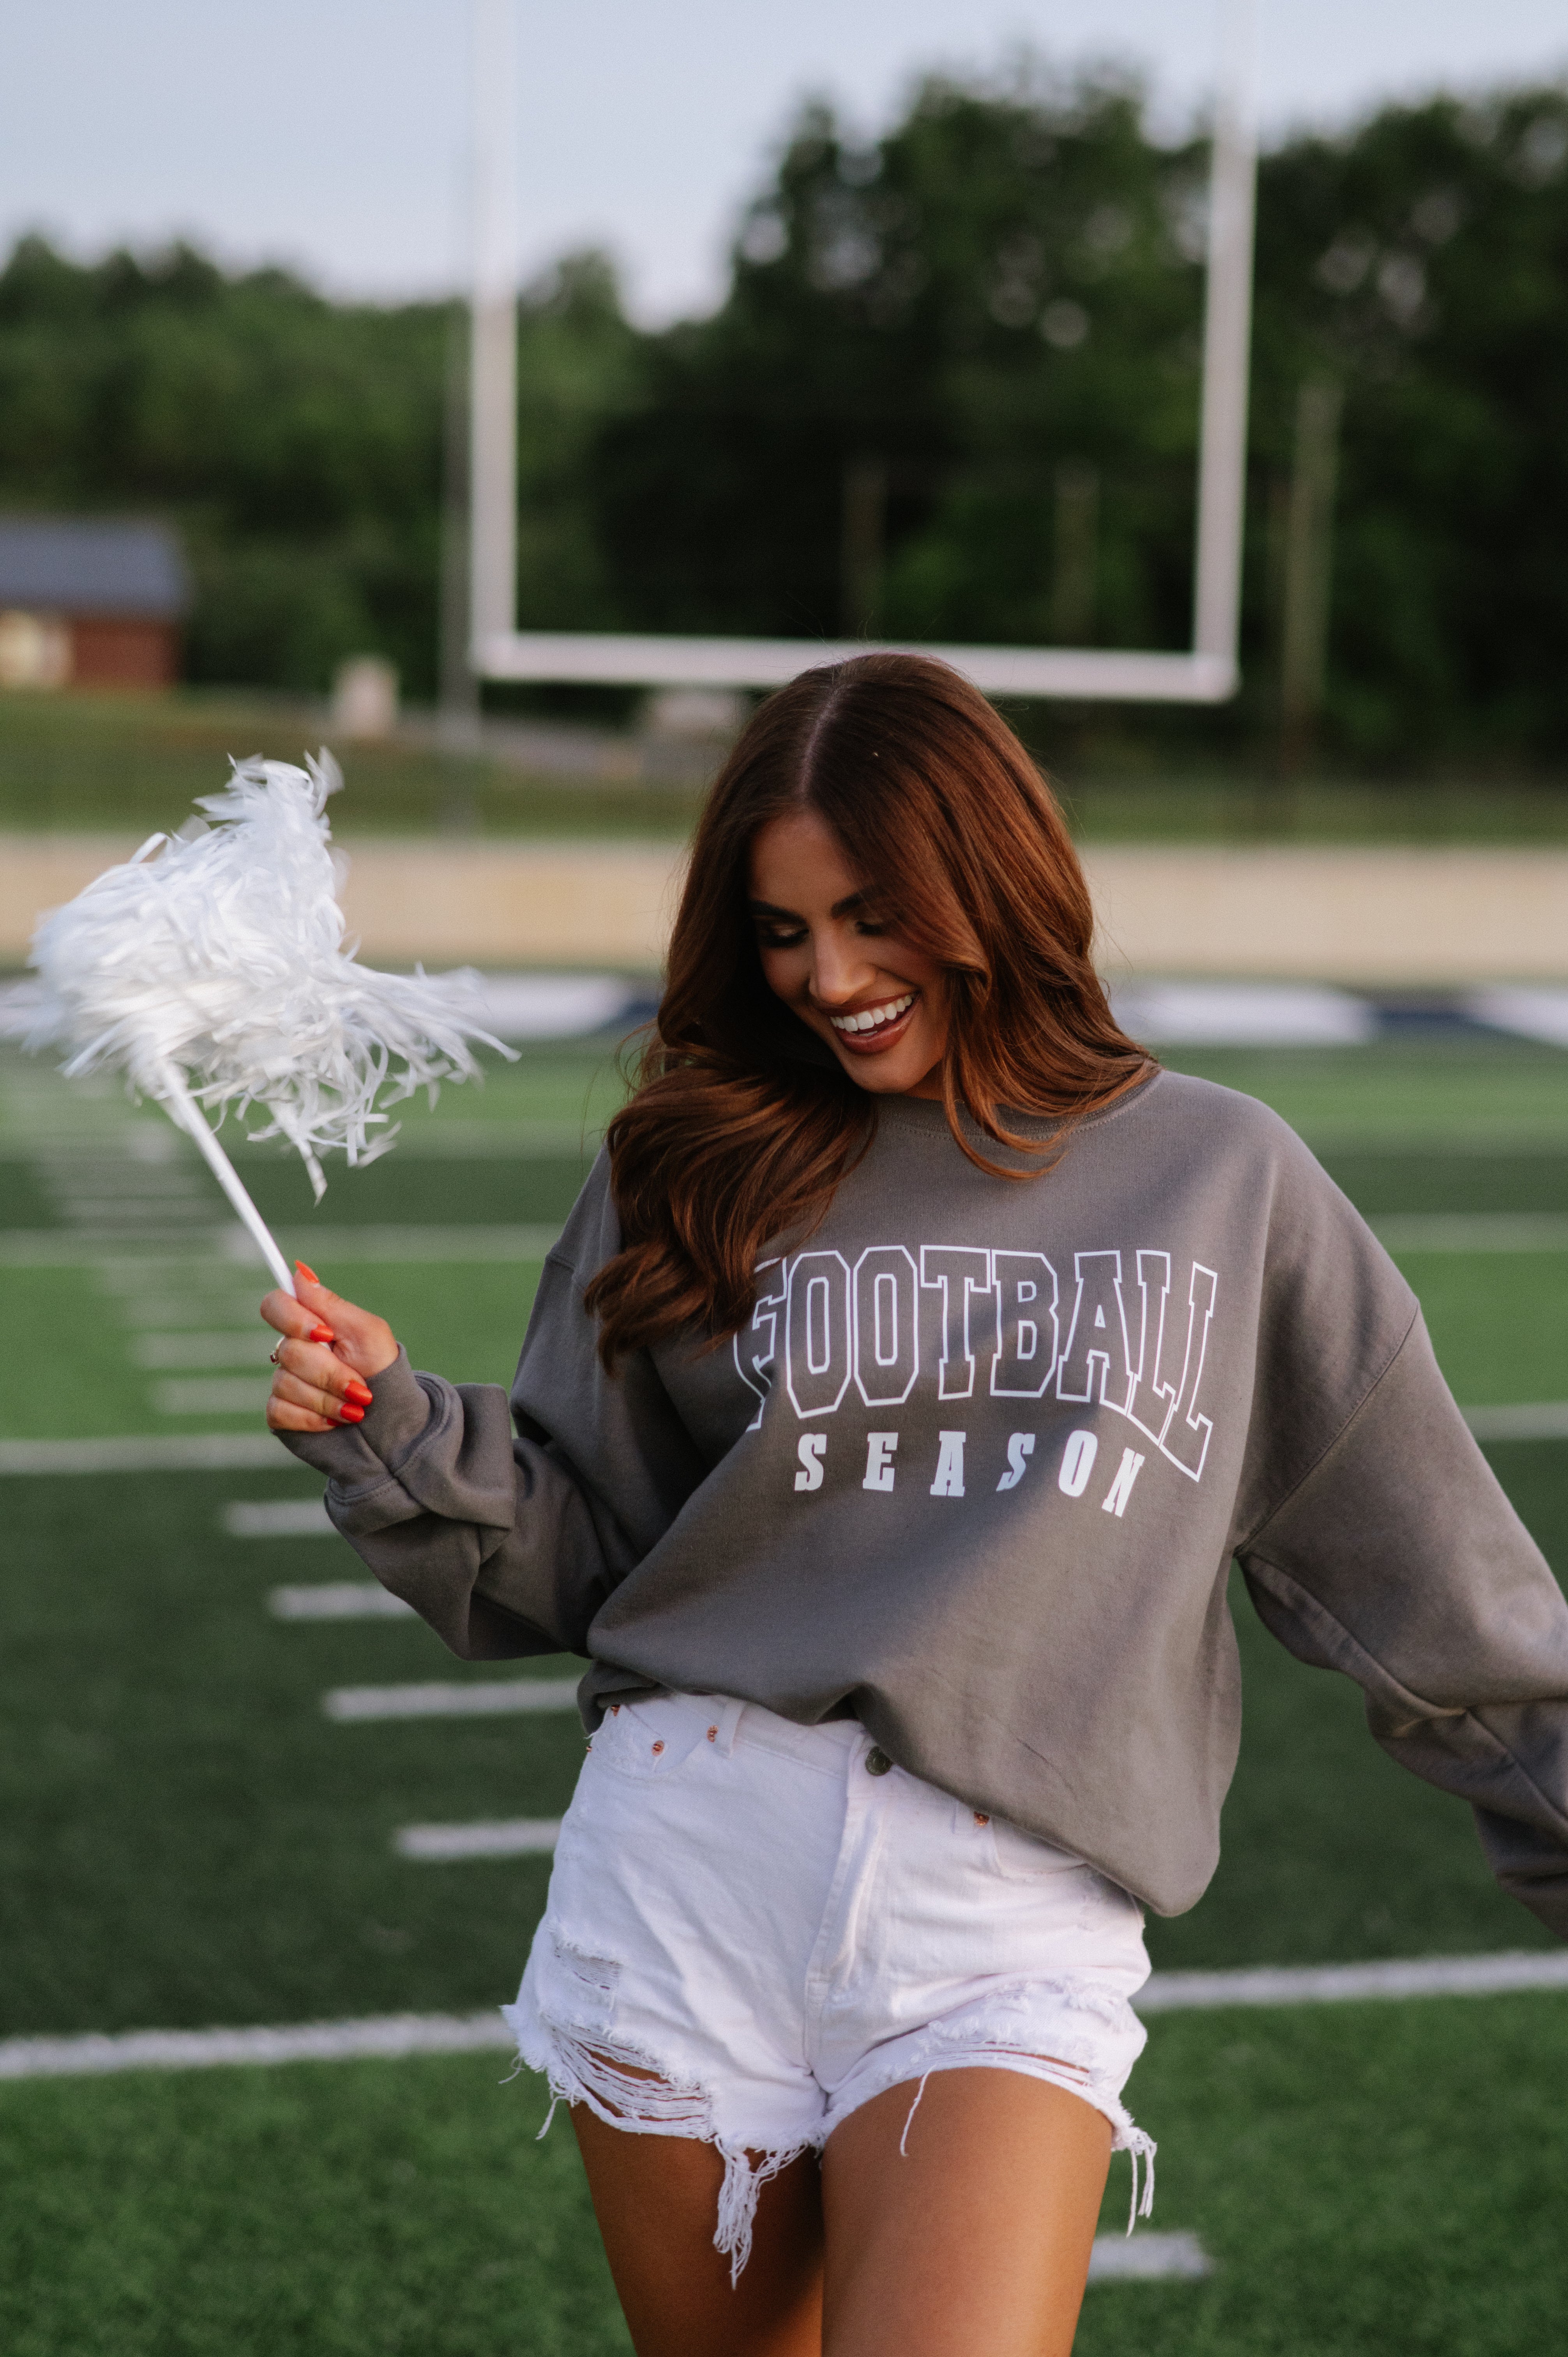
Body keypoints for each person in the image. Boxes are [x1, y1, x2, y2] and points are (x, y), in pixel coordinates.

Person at [261, 654, 1568, 2357]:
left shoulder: (1221, 1179)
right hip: (684, 1862)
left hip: (1003, 1911)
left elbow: (1442, 1600)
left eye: (874, 916)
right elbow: (587, 1551)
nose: (832, 978)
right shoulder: (694, 1157)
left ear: (995, 884)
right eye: (784, 931)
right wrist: (397, 1427)